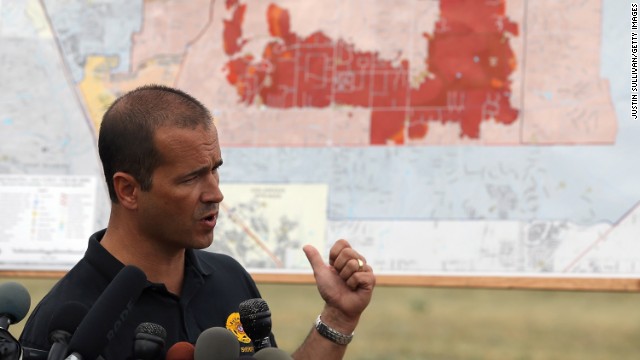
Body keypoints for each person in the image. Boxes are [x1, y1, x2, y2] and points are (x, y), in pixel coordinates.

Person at [19, 85, 375, 359]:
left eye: (215, 169)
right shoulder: (64, 326)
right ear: (128, 190)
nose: (215, 193)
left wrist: (338, 318)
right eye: (190, 179)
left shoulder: (230, 278)